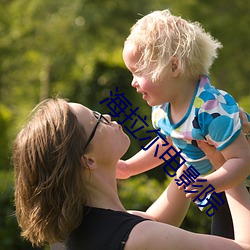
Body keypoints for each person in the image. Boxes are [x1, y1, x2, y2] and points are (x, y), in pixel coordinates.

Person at [13, 98, 250, 250]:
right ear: (88, 160)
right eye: (97, 120)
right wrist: (227, 166)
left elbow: (155, 221)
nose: (106, 116)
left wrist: (192, 140)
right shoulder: (138, 238)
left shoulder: (72, 234)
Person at [120, 9, 250, 239]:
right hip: (219, 188)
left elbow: (242, 160)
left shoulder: (211, 109)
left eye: (138, 72)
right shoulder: (162, 109)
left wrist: (210, 182)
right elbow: (169, 142)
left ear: (173, 67)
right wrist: (130, 167)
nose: (133, 82)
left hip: (239, 187)